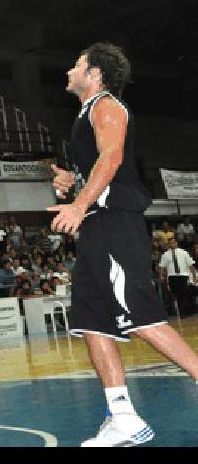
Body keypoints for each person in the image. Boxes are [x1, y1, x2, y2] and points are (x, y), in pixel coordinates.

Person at [49, 42, 198, 447]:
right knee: (92, 324)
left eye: (77, 64)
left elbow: (112, 158)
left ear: (94, 74)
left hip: (115, 225)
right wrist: (73, 182)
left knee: (144, 318)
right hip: (98, 228)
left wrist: (78, 204)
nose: (69, 69)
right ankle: (124, 418)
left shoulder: (107, 105)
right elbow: (99, 167)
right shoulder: (86, 112)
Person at [159, 238, 197, 316]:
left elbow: (190, 265)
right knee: (175, 293)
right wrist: (161, 275)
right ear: (168, 244)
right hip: (172, 276)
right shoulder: (165, 255)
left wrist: (194, 276)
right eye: (170, 243)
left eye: (173, 243)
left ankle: (183, 312)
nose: (172, 244)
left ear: (176, 243)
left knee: (183, 293)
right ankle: (182, 311)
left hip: (183, 275)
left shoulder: (184, 253)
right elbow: (162, 266)